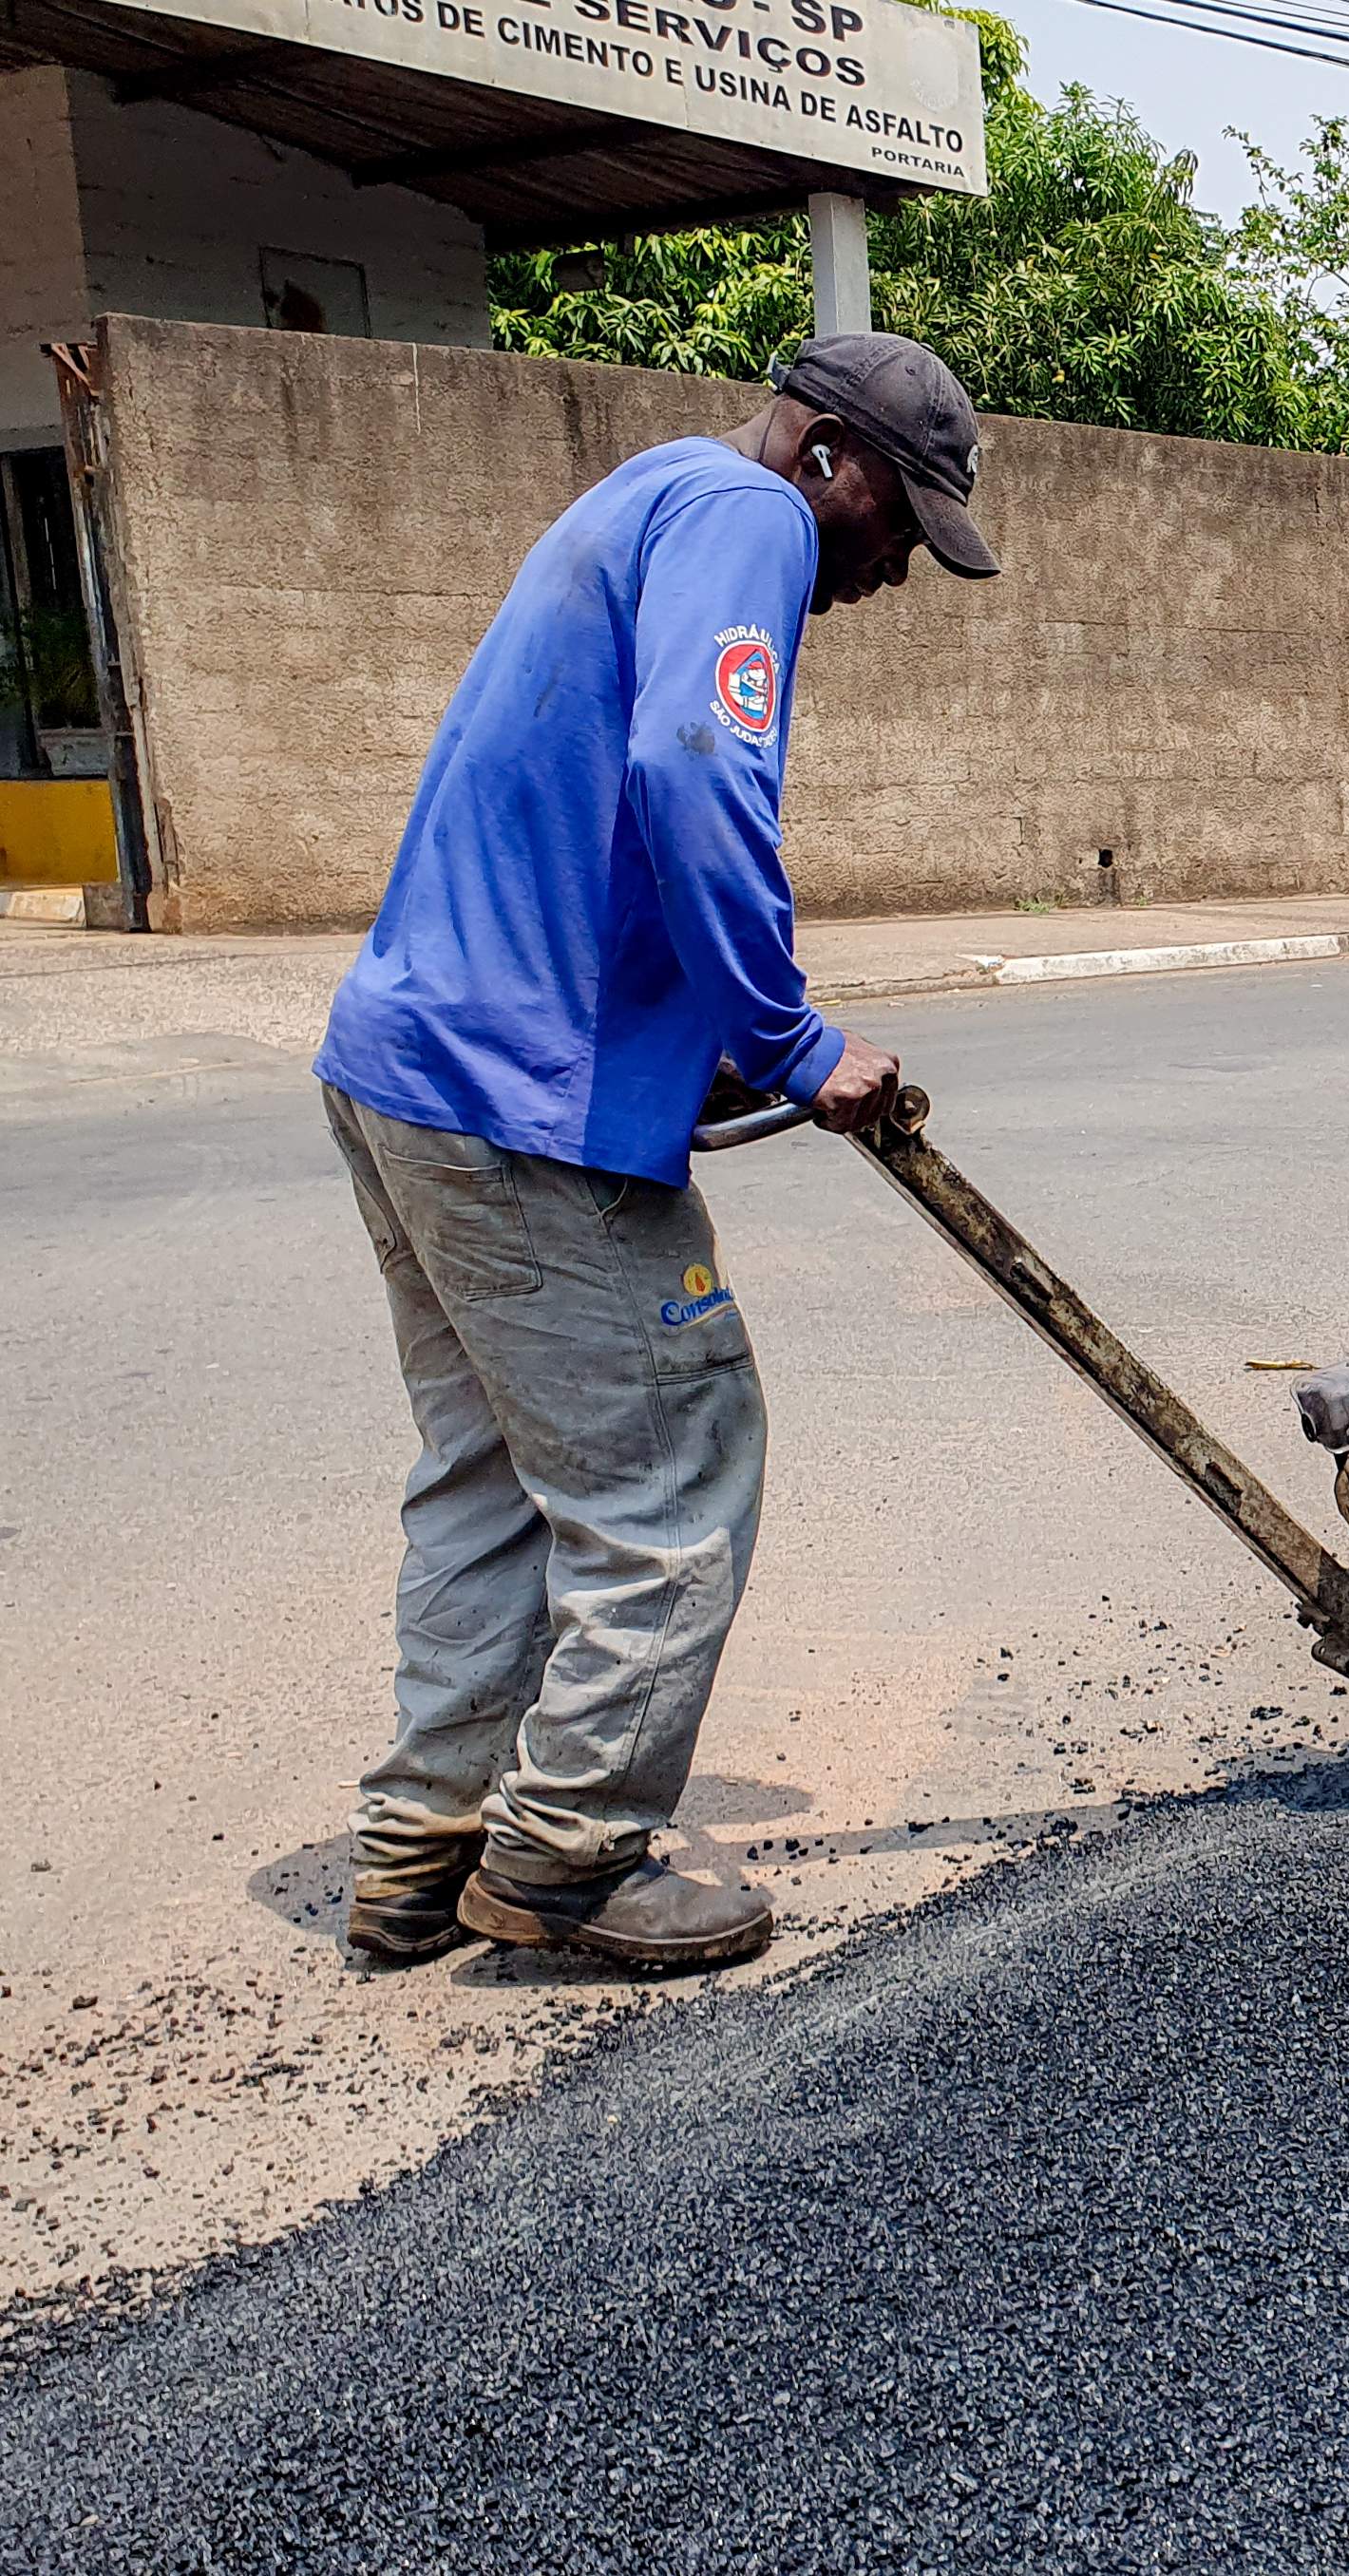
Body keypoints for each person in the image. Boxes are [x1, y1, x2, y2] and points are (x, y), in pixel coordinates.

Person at [314, 333, 1000, 1973]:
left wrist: (681, 1050)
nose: (894, 567)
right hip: (518, 1107)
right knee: (672, 1473)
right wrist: (788, 1038)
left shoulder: (646, 494)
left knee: (496, 1479)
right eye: (899, 522)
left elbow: (586, 811)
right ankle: (569, 1860)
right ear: (832, 456)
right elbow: (693, 771)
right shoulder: (751, 516)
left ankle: (429, 1848)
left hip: (409, 1069)